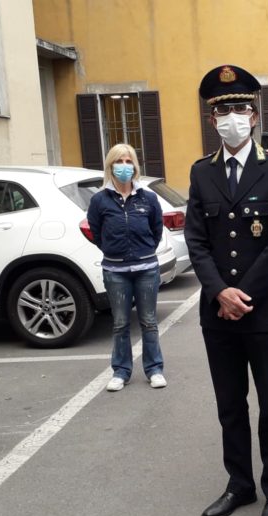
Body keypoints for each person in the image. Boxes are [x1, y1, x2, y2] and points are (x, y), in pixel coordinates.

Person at [184, 65, 268, 516]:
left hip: (263, 311)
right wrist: (219, 293)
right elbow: (196, 240)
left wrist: (241, 294)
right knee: (230, 406)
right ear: (213, 120)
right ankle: (239, 485)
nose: (232, 116)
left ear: (253, 116)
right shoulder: (200, 173)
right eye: (223, 110)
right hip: (218, 316)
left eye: (240, 108)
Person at [86, 144, 167, 392]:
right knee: (120, 323)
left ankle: (154, 369)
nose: (124, 166)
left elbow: (156, 229)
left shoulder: (148, 197)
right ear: (110, 166)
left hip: (146, 268)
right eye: (119, 161)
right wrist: (115, 251)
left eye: (128, 160)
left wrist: (144, 250)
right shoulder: (99, 200)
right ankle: (121, 372)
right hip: (116, 271)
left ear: (135, 165)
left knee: (149, 321)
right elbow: (96, 232)